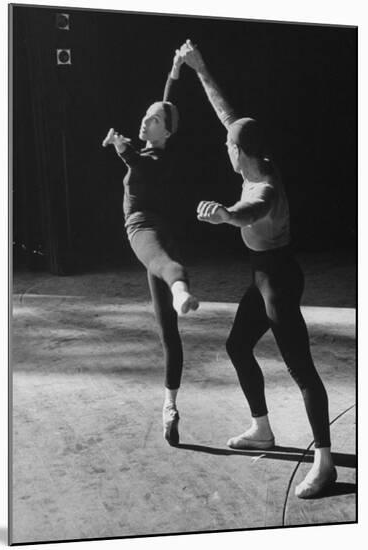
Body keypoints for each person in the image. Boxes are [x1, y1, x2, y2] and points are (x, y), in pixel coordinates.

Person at [179, 39, 336, 498]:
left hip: (279, 281)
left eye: (227, 145)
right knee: (237, 345)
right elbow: (226, 113)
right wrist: (199, 66)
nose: (223, 145)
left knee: (302, 370)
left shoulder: (263, 186)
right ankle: (262, 430)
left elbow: (250, 212)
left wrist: (226, 215)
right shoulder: (255, 160)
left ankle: (324, 463)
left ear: (238, 152)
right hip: (264, 275)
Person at [102, 50, 199, 446]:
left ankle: (180, 289)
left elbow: (140, 165)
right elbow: (162, 103)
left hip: (143, 229)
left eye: (154, 120)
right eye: (145, 116)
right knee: (168, 334)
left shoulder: (158, 156)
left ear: (167, 132)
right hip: (162, 235)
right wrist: (173, 73)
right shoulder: (153, 141)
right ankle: (170, 405)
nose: (145, 121)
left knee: (164, 265)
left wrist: (119, 147)